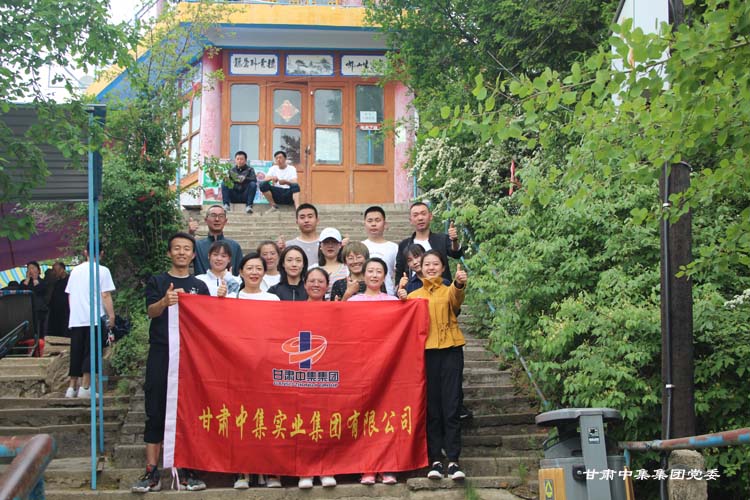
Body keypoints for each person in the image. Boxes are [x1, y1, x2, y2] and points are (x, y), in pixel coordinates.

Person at [131, 232, 210, 493]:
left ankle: (186, 469)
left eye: (186, 248)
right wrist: (165, 302)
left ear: (193, 255)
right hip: (162, 352)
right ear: (169, 253)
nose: (181, 252)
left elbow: (209, 318)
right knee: (155, 408)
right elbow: (150, 311)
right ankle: (151, 471)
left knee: (188, 409)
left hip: (190, 356)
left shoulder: (200, 285)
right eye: (176, 248)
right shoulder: (158, 281)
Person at [398, 250, 468, 481]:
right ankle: (435, 459)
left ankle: (454, 460)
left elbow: (456, 300)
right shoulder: (414, 295)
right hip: (425, 354)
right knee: (432, 408)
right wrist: (401, 299)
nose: (430, 268)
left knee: (452, 405)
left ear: (443, 267)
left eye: (435, 264)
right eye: (426, 264)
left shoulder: (449, 289)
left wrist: (459, 284)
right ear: (420, 267)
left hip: (451, 351)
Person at [347, 258, 399, 485]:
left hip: (387, 367)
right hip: (360, 367)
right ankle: (367, 467)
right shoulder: (354, 301)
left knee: (385, 417)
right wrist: (346, 295)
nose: (375, 275)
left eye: (379, 271)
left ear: (385, 276)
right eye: (370, 271)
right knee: (364, 418)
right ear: (363, 275)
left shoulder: (393, 302)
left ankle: (386, 466)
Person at [230, 252, 278, 489]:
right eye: (249, 268)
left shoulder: (273, 299)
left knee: (267, 418)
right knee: (243, 419)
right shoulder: (231, 298)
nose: (254, 272)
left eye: (259, 268)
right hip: (239, 368)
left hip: (267, 367)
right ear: (240, 272)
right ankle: (243, 472)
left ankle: (268, 470)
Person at [296, 267, 337, 489]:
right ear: (304, 285)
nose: (315, 285)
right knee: (303, 423)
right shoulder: (294, 310)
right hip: (302, 374)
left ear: (327, 286)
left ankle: (327, 469)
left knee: (327, 422)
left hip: (328, 374)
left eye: (320, 281)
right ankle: (306, 471)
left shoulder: (335, 310)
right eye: (311, 281)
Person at [64, 247, 116, 399]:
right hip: (94, 317)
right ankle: (85, 387)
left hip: (76, 318)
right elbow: (105, 295)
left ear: (85, 252)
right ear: (102, 253)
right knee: (91, 351)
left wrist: (74, 313)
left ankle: (71, 387)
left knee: (76, 352)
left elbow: (70, 295)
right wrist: (111, 315)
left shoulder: (75, 271)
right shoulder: (103, 270)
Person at [395, 202, 463, 284]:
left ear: (430, 216)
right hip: (414, 288)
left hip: (441, 287)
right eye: (415, 215)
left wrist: (454, 240)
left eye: (423, 214)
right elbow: (399, 271)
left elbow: (456, 254)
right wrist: (399, 286)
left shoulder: (442, 239)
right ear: (410, 220)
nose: (420, 218)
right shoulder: (404, 245)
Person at [188, 205, 243, 276]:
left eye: (221, 216)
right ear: (206, 220)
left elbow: (240, 273)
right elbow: (184, 260)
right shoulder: (197, 246)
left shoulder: (234, 246)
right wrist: (190, 234)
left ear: (225, 221)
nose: (217, 219)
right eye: (213, 215)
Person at [362, 206, 399, 295]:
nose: (373, 224)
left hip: (388, 294)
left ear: (385, 224)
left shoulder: (394, 247)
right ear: (364, 224)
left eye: (377, 220)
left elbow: (398, 272)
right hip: (364, 294)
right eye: (370, 221)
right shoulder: (360, 246)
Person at [316, 227, 348, 299]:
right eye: (326, 242)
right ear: (320, 246)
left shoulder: (347, 269)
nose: (330, 246)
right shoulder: (313, 269)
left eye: (334, 242)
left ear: (340, 245)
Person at [21, 261, 48, 340]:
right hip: (26, 310)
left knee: (39, 330)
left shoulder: (43, 282)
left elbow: (40, 290)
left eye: (33, 268)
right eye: (28, 268)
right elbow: (21, 291)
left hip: (39, 310)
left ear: (38, 270)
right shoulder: (24, 282)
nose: (30, 270)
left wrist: (35, 279)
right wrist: (27, 279)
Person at [46, 262, 70, 338]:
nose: (54, 272)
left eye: (55, 270)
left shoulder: (69, 281)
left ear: (62, 269)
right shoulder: (55, 282)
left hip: (65, 311)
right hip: (55, 312)